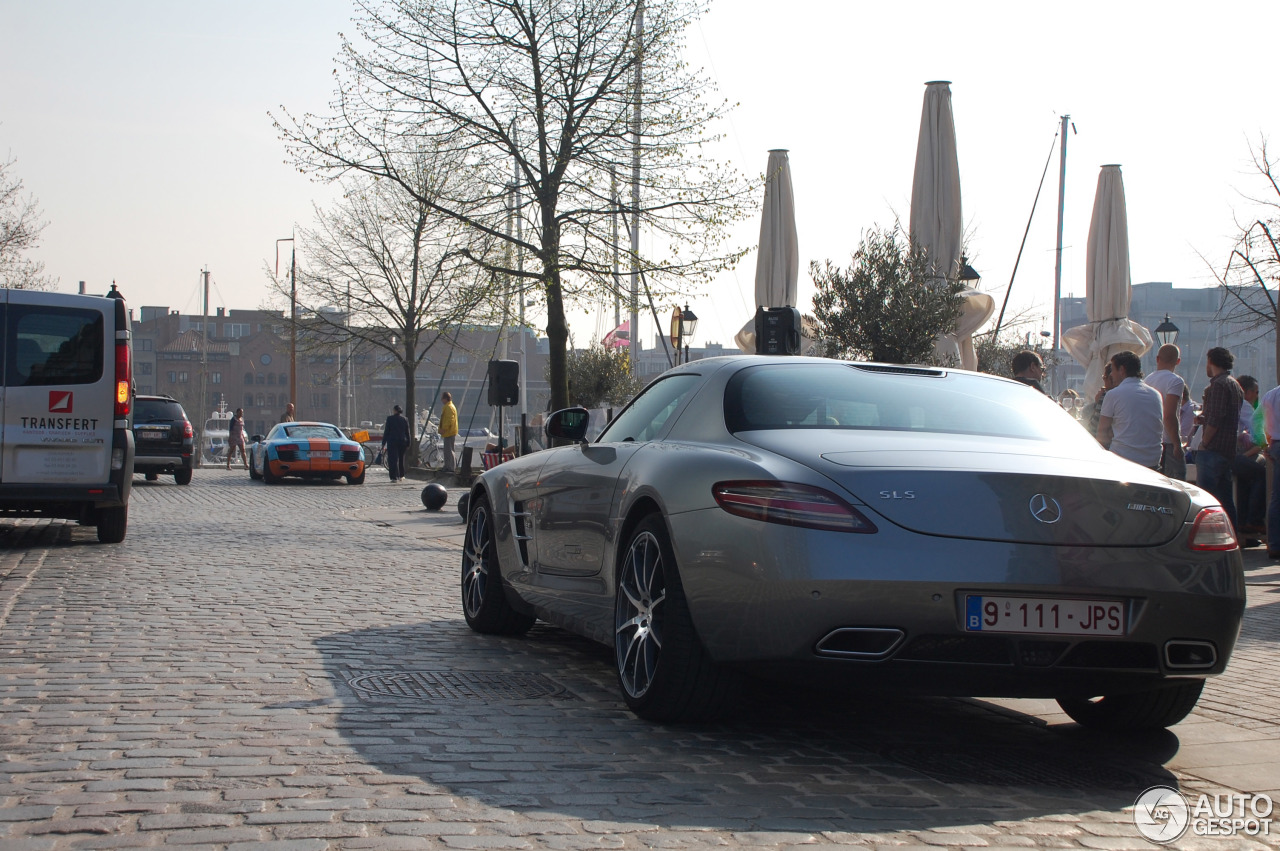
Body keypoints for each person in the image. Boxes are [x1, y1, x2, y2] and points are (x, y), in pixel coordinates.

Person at [1195, 346, 1244, 531]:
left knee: (1206, 500)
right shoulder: (1234, 384)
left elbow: (1215, 419)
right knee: (1225, 499)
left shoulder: (1218, 385)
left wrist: (1204, 442)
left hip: (1212, 450)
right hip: (1228, 449)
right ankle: (1233, 535)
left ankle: (1210, 538)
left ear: (1211, 361)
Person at [1095, 351, 1163, 469]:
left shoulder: (1113, 394)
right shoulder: (1156, 394)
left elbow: (1102, 432)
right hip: (1152, 462)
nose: (1111, 375)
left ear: (1122, 369)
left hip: (1123, 460)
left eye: (1113, 370)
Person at [1143, 343, 1188, 480]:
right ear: (1178, 361)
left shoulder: (1147, 380)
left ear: (1157, 359)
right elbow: (1169, 415)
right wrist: (1176, 444)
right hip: (1168, 442)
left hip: (1151, 441)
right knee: (1176, 481)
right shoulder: (1175, 381)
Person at [1232, 375, 1266, 539]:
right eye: (1256, 392)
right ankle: (1254, 520)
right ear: (1249, 392)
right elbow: (1260, 438)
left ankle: (1243, 522)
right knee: (1261, 473)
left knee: (1246, 478)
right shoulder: (1244, 405)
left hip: (1204, 453)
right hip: (1227, 455)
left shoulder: (1230, 400)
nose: (1257, 396)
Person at [1261, 381, 1280, 559]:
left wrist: (1265, 445)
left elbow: (1258, 422)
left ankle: (1274, 543)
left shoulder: (1270, 395)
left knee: (1276, 497)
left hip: (1275, 444)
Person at [380, 404, 411, 482]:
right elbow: (407, 432)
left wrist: (383, 443)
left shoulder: (390, 419)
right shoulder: (405, 419)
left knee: (393, 459)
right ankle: (401, 475)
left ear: (395, 411)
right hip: (402, 441)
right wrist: (408, 443)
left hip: (392, 441)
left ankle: (394, 477)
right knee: (401, 459)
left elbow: (386, 431)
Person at [439, 391, 459, 472]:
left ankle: (450, 467)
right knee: (448, 450)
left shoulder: (449, 407)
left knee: (449, 450)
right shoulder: (449, 406)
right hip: (450, 432)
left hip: (449, 432)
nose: (441, 400)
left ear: (446, 399)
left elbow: (449, 420)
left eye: (442, 398)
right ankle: (448, 466)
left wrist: (444, 428)